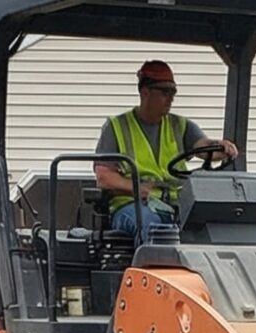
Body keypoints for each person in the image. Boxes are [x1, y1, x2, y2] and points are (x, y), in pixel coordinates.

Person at [94, 59, 239, 241]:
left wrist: (222, 147)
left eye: (173, 92)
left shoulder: (180, 125)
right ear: (145, 92)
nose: (171, 98)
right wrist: (137, 189)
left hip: (176, 205)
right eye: (165, 92)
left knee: (215, 225)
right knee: (154, 228)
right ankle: (153, 258)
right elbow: (104, 177)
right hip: (133, 204)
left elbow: (203, 148)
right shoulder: (117, 127)